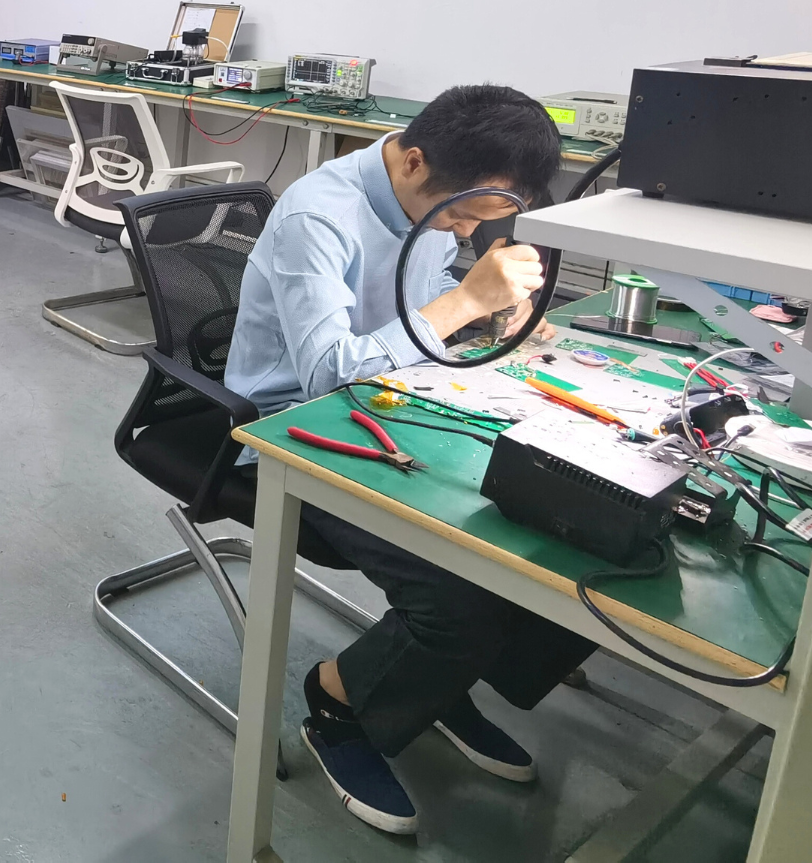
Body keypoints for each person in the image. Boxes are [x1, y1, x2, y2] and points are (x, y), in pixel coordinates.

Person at [224, 85, 596, 836]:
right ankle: (340, 707)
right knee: (457, 600)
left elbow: (415, 311)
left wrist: (492, 308)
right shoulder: (315, 215)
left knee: (574, 543)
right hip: (295, 429)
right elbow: (328, 371)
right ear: (415, 159)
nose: (463, 230)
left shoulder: (431, 200)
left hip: (395, 402)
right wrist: (461, 304)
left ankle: (429, 683)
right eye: (460, 217)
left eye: (478, 222)